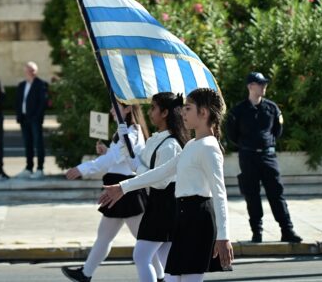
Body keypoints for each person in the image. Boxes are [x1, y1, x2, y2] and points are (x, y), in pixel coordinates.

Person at [100, 88, 234, 282]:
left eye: (188, 108)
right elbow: (161, 172)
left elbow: (219, 193)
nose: (182, 113)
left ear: (203, 113)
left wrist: (223, 236)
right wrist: (123, 187)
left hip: (198, 220)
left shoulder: (209, 147)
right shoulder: (191, 145)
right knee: (171, 278)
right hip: (183, 217)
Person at [61, 102, 152, 282]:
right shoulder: (124, 131)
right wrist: (106, 150)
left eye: (115, 106)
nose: (111, 110)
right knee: (105, 235)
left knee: (146, 242)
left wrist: (83, 168)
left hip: (126, 190)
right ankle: (85, 273)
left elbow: (113, 160)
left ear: (127, 109)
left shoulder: (131, 133)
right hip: (119, 189)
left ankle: (162, 276)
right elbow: (118, 157)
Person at [226, 71, 302, 243]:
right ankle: (257, 232)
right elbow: (232, 134)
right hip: (248, 157)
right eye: (260, 84)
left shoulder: (272, 108)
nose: (264, 87)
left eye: (265, 84)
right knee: (251, 195)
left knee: (276, 193)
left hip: (268, 156)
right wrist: (247, 146)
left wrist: (266, 144)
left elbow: (277, 130)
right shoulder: (238, 111)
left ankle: (287, 230)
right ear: (250, 86)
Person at [127, 92, 189, 282]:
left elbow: (160, 181)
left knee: (142, 255)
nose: (150, 111)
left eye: (153, 107)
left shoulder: (170, 144)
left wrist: (137, 167)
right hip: (157, 202)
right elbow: (142, 163)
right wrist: (125, 141)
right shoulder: (159, 139)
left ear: (165, 113)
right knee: (165, 258)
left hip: (165, 203)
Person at [15, 61, 48, 179]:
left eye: (33, 70)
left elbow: (42, 103)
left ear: (36, 71)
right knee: (27, 144)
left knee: (38, 143)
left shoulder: (41, 84)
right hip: (24, 119)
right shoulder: (22, 85)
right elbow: (19, 102)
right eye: (29, 69)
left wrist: (36, 117)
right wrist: (19, 116)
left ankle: (40, 169)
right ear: (25, 71)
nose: (31, 72)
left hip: (35, 119)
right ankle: (29, 168)